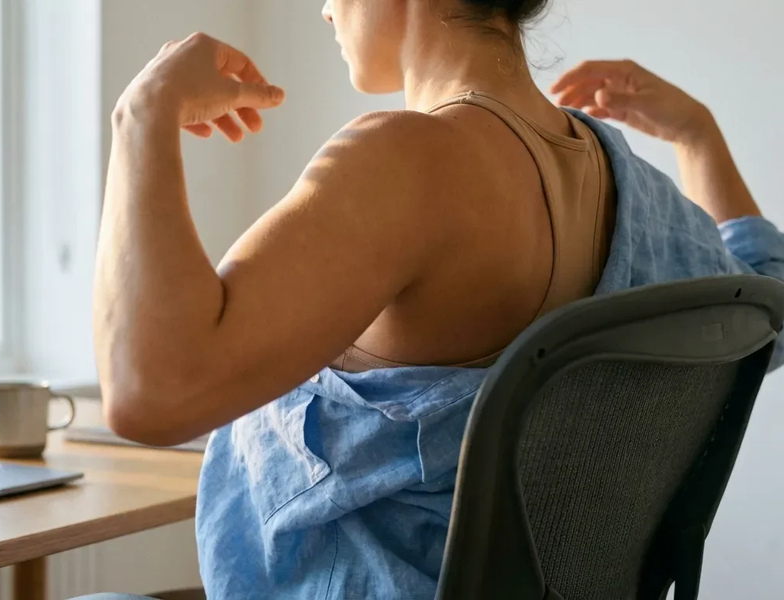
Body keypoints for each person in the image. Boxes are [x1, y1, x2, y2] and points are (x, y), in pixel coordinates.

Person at [88, 0, 784, 598]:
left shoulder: (408, 161)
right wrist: (698, 134)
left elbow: (151, 392)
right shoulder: (629, 187)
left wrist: (142, 114)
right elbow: (764, 309)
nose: (325, 8)